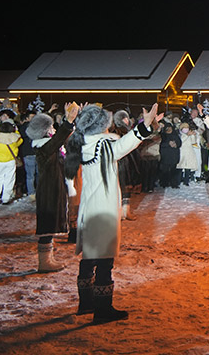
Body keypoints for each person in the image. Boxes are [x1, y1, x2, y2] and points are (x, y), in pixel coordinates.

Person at [65, 104, 162, 323]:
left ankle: (86, 303)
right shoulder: (103, 144)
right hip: (103, 209)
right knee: (104, 261)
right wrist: (144, 126)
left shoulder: (82, 142)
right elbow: (124, 145)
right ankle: (103, 309)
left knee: (89, 257)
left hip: (89, 208)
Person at [26, 102, 80, 272]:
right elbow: (58, 139)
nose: (53, 129)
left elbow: (62, 140)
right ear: (45, 131)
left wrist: (68, 120)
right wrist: (68, 121)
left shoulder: (48, 145)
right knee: (47, 226)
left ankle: (48, 259)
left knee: (50, 224)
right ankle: (44, 262)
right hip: (48, 190)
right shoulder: (43, 147)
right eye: (51, 127)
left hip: (54, 188)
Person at [0, 121, 23, 205]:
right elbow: (20, 141)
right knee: (9, 179)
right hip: (10, 161)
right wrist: (16, 131)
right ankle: (6, 198)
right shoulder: (14, 138)